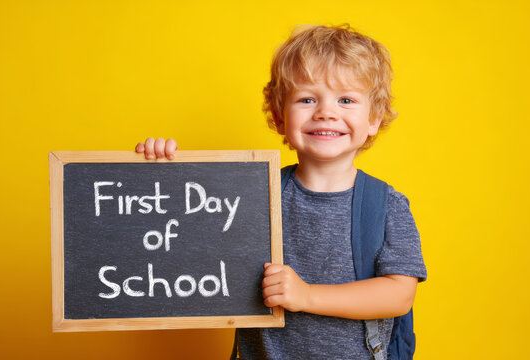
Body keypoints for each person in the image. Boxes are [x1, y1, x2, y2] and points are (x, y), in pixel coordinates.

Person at [135, 24, 427, 360]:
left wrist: (307, 296)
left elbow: (398, 294)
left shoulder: (386, 206)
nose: (326, 112)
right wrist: (157, 174)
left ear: (374, 118)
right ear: (278, 116)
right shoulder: (249, 193)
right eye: (306, 99)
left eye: (346, 99)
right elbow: (184, 239)